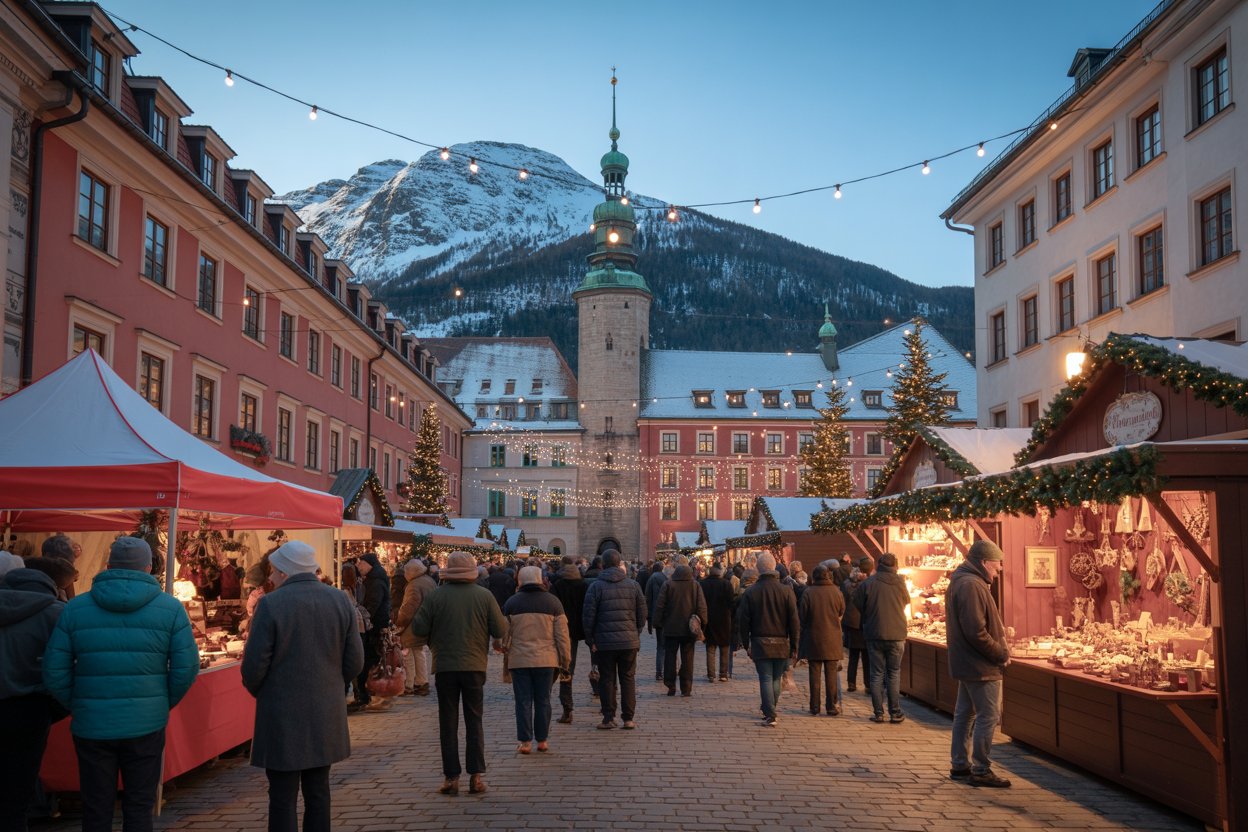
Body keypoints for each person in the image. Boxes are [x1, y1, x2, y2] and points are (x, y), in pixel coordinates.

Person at [43, 537, 198, 832]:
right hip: (145, 722)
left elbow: (54, 670)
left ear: (109, 565)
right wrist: (160, 702)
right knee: (139, 804)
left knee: (96, 805)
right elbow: (186, 668)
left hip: (93, 723)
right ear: (150, 567)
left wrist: (79, 702)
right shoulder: (170, 608)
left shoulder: (76, 608)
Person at [241, 541, 364, 832]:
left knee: (282, 795)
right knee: (319, 791)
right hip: (325, 709)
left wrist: (267, 691)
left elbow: (253, 666)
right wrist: (332, 685)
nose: (269, 577)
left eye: (273, 570)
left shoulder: (271, 604)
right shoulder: (339, 600)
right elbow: (355, 661)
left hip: (281, 712)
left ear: (285, 572)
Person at [410, 551, 507, 796]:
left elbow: (419, 626)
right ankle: (476, 776)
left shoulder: (436, 596)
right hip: (474, 665)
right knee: (474, 721)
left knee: (448, 722)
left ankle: (451, 777)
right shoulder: (484, 596)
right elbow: (499, 627)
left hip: (445, 665)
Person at [0, 566, 66, 831]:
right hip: (29, 709)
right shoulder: (55, 613)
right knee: (17, 793)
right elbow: (68, 666)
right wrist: (54, 708)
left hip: (27, 706)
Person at [946, 540, 1012, 788]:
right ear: (984, 562)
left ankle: (960, 764)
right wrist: (999, 653)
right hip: (980, 665)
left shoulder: (964, 581)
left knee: (965, 713)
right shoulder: (971, 585)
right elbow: (976, 631)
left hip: (968, 661)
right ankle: (981, 769)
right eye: (996, 565)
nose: (999, 570)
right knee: (988, 715)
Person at [502, 566, 571, 754]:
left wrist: (502, 647)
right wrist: (565, 661)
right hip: (546, 660)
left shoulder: (512, 603)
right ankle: (542, 740)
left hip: (519, 660)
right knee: (543, 700)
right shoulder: (553, 603)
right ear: (541, 580)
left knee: (522, 701)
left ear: (520, 581)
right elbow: (562, 637)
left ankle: (525, 742)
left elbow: (503, 636)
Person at [582, 549, 647, 730]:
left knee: (607, 679)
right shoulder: (633, 585)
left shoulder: (596, 586)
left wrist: (591, 639)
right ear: (620, 564)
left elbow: (588, 616)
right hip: (629, 641)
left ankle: (608, 718)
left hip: (604, 642)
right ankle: (628, 718)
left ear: (602, 564)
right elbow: (642, 613)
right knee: (628, 678)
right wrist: (636, 631)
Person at [737, 552, 799, 727]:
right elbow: (794, 621)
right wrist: (795, 644)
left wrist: (746, 642)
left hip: (760, 641)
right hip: (781, 642)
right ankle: (771, 709)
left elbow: (744, 621)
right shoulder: (786, 591)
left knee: (765, 677)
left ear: (759, 568)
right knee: (776, 678)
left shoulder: (752, 592)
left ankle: (770, 712)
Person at [854, 552, 909, 724]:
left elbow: (857, 602)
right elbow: (906, 601)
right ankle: (895, 712)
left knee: (876, 674)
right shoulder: (900, 582)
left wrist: (869, 614)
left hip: (874, 632)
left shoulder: (868, 583)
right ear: (895, 565)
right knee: (893, 673)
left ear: (878, 565)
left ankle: (878, 713)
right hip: (897, 633)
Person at [653, 562, 707, 697]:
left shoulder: (668, 584)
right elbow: (702, 607)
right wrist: (703, 624)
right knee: (688, 657)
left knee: (670, 656)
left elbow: (660, 605)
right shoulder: (695, 585)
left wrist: (657, 623)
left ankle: (670, 683)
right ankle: (686, 687)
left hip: (671, 627)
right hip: (689, 628)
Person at [799, 565, 845, 716]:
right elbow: (841, 611)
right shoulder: (836, 592)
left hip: (813, 638)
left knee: (814, 673)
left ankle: (814, 706)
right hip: (832, 638)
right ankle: (831, 706)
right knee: (831, 674)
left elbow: (802, 616)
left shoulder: (808, 592)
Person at [550, 556, 591, 723]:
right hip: (578, 630)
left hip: (561, 631)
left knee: (564, 668)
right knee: (571, 667)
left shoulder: (558, 586)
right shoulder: (584, 586)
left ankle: (567, 707)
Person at [350, 552, 392, 712]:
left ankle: (370, 695)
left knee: (370, 662)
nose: (358, 566)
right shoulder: (373, 579)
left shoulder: (375, 582)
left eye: (361, 563)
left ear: (369, 565)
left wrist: (364, 620)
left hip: (373, 628)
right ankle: (369, 695)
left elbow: (373, 605)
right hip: (374, 626)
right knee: (371, 661)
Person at [394, 558, 437, 696]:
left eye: (406, 571)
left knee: (409, 654)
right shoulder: (429, 581)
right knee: (419, 652)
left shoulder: (413, 585)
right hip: (425, 622)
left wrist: (399, 621)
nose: (405, 574)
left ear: (411, 572)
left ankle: (409, 684)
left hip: (413, 624)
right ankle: (422, 682)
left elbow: (409, 608)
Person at [841, 557, 872, 692]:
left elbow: (843, 602)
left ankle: (851, 683)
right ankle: (868, 684)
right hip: (865, 622)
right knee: (866, 656)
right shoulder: (869, 583)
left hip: (851, 623)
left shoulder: (847, 583)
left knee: (853, 656)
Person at [701, 564, 734, 682]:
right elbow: (731, 603)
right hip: (724, 620)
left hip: (709, 620)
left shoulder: (703, 584)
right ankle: (723, 674)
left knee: (710, 648)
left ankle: (711, 674)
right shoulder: (726, 584)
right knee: (724, 648)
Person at [643, 560, 667, 682]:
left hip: (656, 616)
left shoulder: (651, 579)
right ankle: (668, 669)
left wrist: (649, 618)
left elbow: (648, 599)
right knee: (669, 645)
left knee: (660, 646)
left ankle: (659, 672)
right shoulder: (666, 579)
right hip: (667, 616)